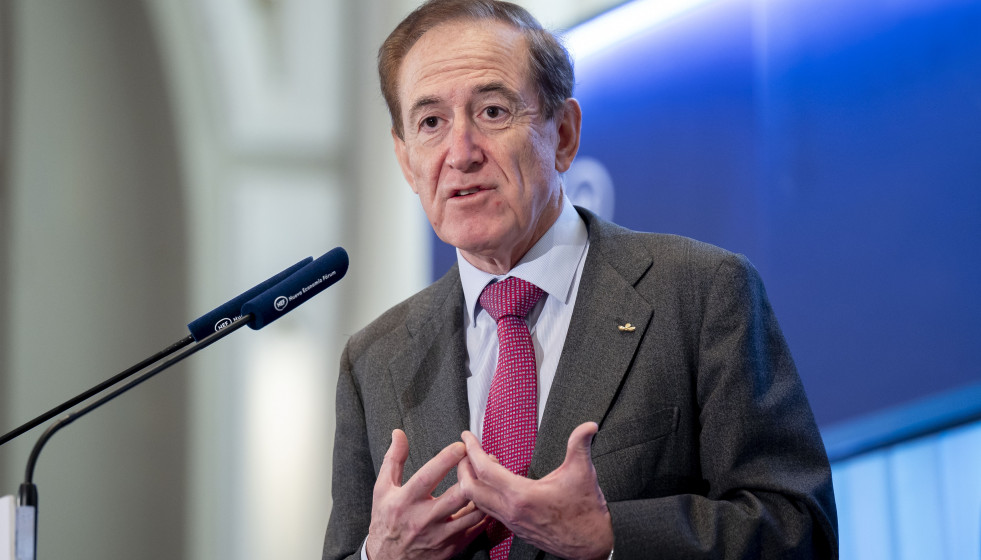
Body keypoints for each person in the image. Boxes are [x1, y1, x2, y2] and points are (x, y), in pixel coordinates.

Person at [323, 1, 838, 558]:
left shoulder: (701, 293)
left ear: (563, 134)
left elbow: (799, 530)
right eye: (431, 123)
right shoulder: (372, 361)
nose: (461, 152)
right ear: (406, 160)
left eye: (493, 112)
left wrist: (611, 537)